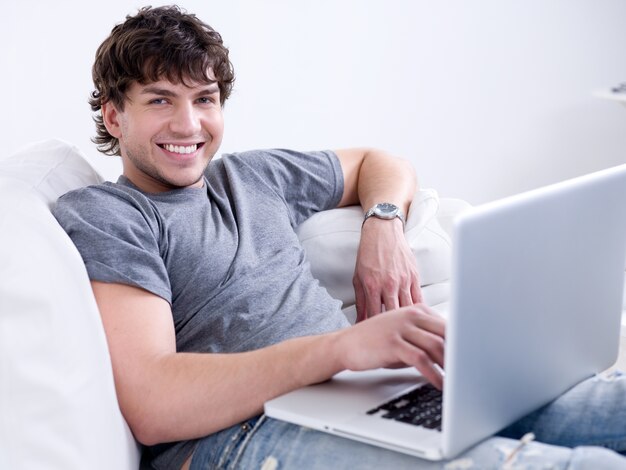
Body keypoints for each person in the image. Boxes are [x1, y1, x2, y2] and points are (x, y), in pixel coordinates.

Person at [52, 5, 626, 469]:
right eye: (160, 101)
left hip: (366, 396)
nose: (188, 125)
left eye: (204, 100)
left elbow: (382, 160)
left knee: (609, 410)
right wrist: (344, 347)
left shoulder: (252, 175)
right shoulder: (111, 214)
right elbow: (155, 402)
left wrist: (383, 223)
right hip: (239, 438)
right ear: (113, 116)